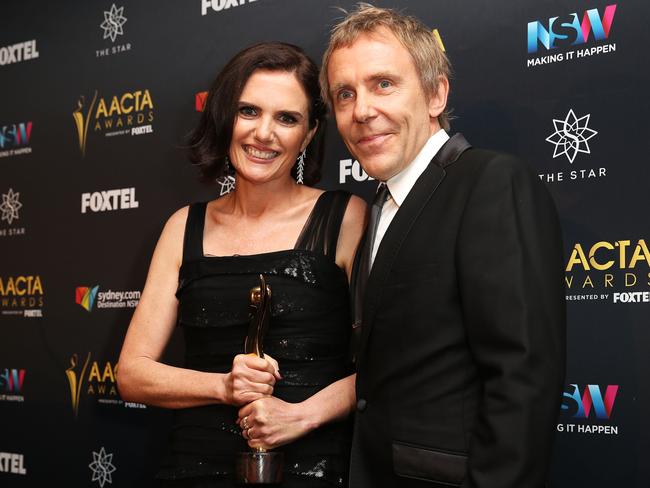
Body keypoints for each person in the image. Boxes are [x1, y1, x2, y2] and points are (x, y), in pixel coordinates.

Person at [321, 5, 566, 488]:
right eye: (344, 94)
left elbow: (522, 380)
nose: (362, 111)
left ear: (436, 94)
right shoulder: (379, 203)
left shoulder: (492, 182)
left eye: (383, 84)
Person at [117, 42, 366, 487]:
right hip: (193, 467)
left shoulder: (345, 218)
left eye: (286, 118)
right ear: (225, 117)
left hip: (315, 466)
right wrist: (223, 387)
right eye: (249, 111)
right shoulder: (183, 226)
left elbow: (385, 364)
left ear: (308, 134)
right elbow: (133, 374)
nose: (263, 133)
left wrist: (301, 416)